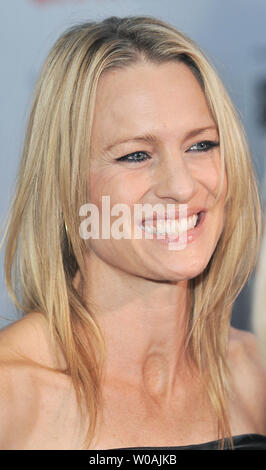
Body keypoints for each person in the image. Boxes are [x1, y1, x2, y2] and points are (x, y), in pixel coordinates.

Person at [0, 15, 265, 451]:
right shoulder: (13, 396)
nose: (181, 187)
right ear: (65, 186)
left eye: (201, 145)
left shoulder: (250, 370)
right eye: (136, 155)